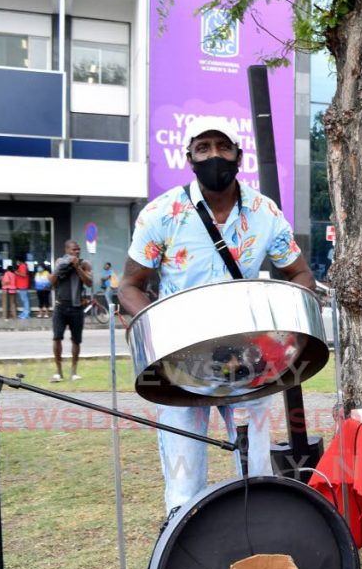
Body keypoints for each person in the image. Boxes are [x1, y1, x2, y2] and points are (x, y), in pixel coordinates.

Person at [118, 115, 317, 514]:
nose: (214, 156)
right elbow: (129, 285)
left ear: (238, 156)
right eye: (203, 148)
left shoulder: (264, 212)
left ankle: (255, 542)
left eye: (223, 147)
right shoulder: (162, 213)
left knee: (255, 469)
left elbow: (299, 273)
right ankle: (186, 547)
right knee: (184, 479)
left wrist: (285, 328)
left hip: (249, 360)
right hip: (182, 363)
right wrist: (157, 330)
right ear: (190, 157)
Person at [49, 240, 93, 382]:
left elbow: (90, 282)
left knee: (76, 341)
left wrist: (77, 267)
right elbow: (51, 281)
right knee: (57, 338)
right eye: (74, 249)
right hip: (60, 306)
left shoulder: (84, 263)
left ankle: (73, 372)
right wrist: (61, 267)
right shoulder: (60, 262)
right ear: (67, 250)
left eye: (78, 249)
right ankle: (58, 372)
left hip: (76, 307)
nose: (77, 252)